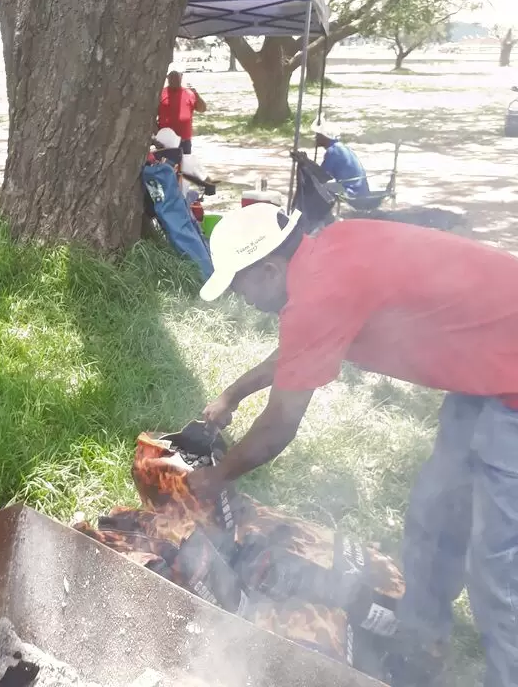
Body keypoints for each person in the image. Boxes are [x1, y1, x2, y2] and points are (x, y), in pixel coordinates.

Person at [191, 203, 518, 687]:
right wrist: (232, 395)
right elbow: (304, 344)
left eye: (240, 285)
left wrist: (213, 478)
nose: (241, 298)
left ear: (268, 270)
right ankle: (420, 647)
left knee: (499, 568)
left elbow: (279, 426)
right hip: (485, 374)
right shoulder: (327, 255)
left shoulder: (321, 290)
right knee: (435, 514)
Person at [313, 122, 370, 198]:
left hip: (351, 191)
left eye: (318, 135)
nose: (315, 137)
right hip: (360, 190)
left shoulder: (332, 151)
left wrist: (305, 163)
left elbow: (322, 176)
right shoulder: (340, 147)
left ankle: (319, 209)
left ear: (325, 136)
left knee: (316, 187)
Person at [157, 70, 206, 157]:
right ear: (167, 79)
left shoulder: (189, 93)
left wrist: (197, 96)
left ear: (181, 78)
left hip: (184, 139)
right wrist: (157, 133)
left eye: (177, 78)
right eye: (172, 78)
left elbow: (202, 109)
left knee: (184, 166)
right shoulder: (160, 94)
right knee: (166, 166)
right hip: (165, 140)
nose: (175, 80)